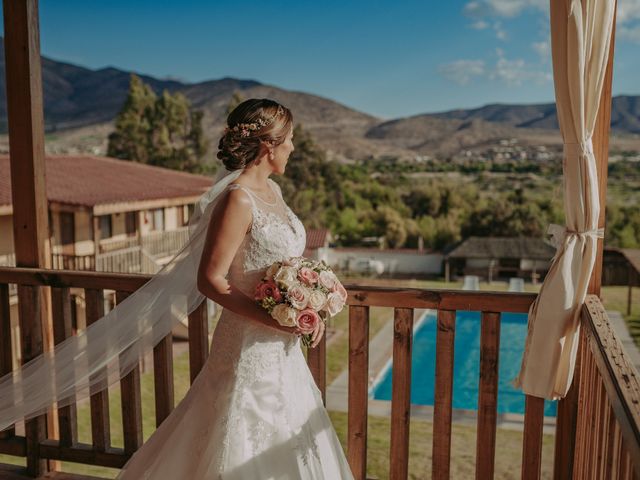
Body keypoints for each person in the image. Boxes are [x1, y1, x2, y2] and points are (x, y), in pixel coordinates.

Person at [116, 99, 354, 479]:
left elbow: (283, 265)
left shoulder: (273, 193)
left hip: (283, 349)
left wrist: (308, 307)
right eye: (290, 139)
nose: (293, 148)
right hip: (246, 345)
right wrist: (276, 319)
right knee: (236, 432)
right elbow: (210, 279)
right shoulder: (237, 199)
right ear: (268, 145)